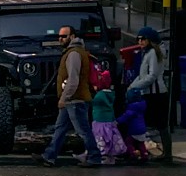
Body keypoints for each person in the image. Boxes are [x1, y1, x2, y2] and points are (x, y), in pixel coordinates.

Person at [40, 25, 101, 167]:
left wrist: (64, 98)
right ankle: (49, 156)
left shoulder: (73, 53)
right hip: (72, 100)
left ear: (72, 37)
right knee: (60, 129)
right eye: (59, 36)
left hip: (75, 100)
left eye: (64, 36)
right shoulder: (73, 52)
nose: (60, 39)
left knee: (83, 130)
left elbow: (73, 79)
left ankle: (94, 156)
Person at [126, 25, 167, 136]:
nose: (140, 41)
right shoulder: (147, 52)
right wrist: (132, 85)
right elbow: (142, 74)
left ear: (150, 40)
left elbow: (151, 75)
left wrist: (135, 86)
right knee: (157, 124)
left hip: (155, 92)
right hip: (150, 91)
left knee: (157, 124)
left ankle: (166, 151)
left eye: (143, 39)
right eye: (138, 39)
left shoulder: (153, 53)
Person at [86, 53, 127, 162]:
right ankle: (110, 156)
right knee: (109, 139)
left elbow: (92, 102)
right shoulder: (110, 94)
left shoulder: (99, 96)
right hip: (109, 121)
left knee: (101, 139)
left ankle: (102, 154)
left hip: (99, 121)